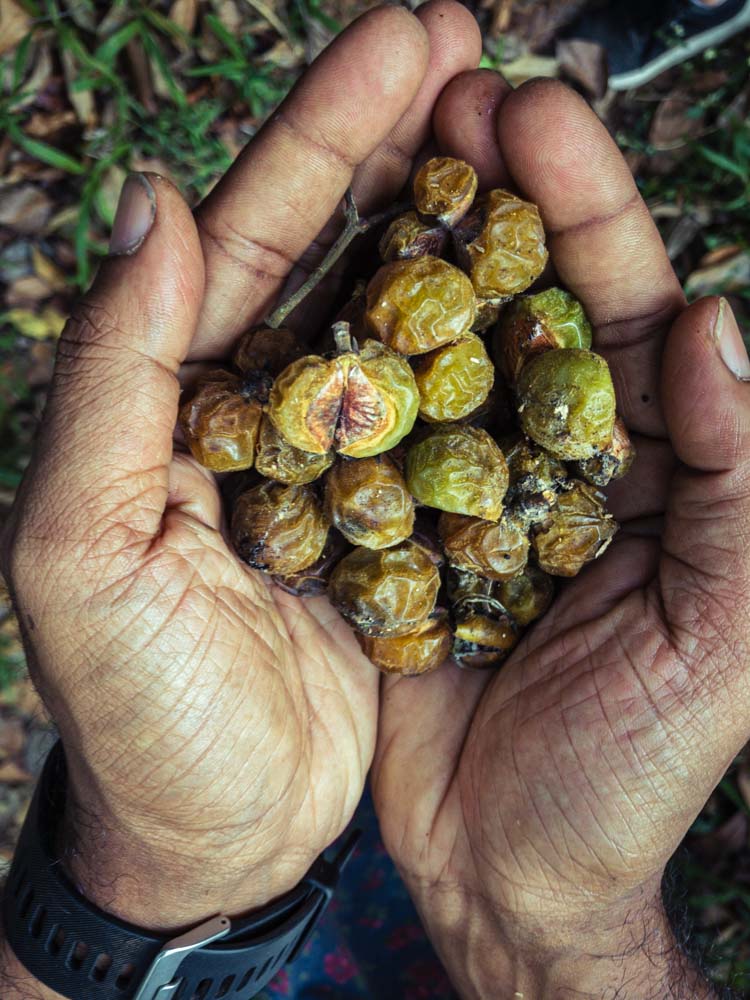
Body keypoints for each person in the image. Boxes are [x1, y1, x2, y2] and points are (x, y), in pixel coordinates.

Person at [0, 2, 749, 997]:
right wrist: (559, 935)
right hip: (352, 753)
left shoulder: (463, 447)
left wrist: (143, 898)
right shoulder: (387, 428)